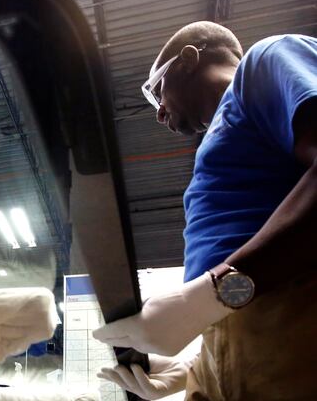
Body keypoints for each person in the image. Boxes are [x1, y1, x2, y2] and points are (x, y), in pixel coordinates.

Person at [92, 22, 317, 399]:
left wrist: (210, 297)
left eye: (157, 92)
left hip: (286, 318)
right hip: (230, 338)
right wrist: (197, 364)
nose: (160, 113)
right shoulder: (216, 147)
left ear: (189, 59)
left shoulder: (265, 62)